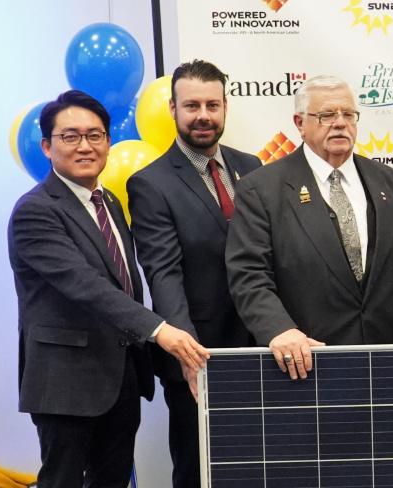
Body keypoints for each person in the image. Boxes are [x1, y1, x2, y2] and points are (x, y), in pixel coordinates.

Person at [7, 90, 209, 487]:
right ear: (47, 146)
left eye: (95, 135)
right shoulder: (35, 210)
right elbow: (85, 285)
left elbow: (125, 280)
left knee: (112, 481)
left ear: (108, 143)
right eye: (70, 136)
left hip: (120, 379)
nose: (85, 146)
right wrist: (159, 329)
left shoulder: (110, 202)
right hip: (65, 385)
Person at [127, 59, 262, 488]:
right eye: (191, 106)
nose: (203, 115)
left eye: (212, 105)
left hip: (260, 349)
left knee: (258, 467)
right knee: (198, 469)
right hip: (198, 356)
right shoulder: (150, 183)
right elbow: (163, 275)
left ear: (225, 107)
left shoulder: (252, 166)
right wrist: (190, 357)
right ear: (173, 110)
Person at [226, 75, 393, 380]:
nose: (340, 123)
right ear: (300, 123)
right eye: (326, 115)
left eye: (348, 114)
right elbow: (248, 275)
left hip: (389, 361)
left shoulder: (391, 182)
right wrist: (279, 329)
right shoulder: (261, 189)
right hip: (306, 364)